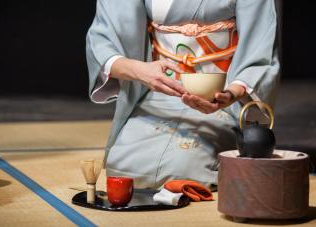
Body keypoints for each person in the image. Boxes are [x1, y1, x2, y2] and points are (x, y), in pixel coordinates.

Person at [86, 0, 280, 189]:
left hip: (220, 97)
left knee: (182, 167)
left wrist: (231, 94)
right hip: (159, 92)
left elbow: (260, 46)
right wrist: (141, 71)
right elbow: (104, 40)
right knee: (122, 165)